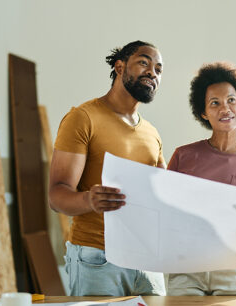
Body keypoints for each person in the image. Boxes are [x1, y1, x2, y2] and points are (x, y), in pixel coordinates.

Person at [49, 40, 166, 296]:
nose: (152, 73)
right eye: (144, 62)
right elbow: (57, 195)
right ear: (120, 67)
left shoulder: (152, 133)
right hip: (98, 258)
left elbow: (162, 193)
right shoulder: (83, 118)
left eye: (158, 69)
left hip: (147, 258)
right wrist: (90, 199)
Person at [166, 62, 236, 296]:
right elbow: (165, 208)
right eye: (214, 103)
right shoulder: (184, 155)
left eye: (231, 100)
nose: (225, 108)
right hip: (187, 268)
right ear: (204, 112)